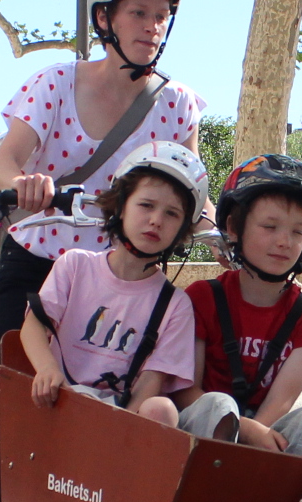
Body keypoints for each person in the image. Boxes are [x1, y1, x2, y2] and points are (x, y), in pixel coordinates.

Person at [0, 0, 207, 502]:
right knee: (13, 418)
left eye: (162, 15)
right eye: (139, 12)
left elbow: (191, 184)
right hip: (40, 265)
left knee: (119, 417)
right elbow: (3, 161)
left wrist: (231, 233)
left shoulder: (177, 104)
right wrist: (26, 186)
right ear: (105, 19)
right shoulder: (54, 83)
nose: (152, 26)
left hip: (120, 276)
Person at [18, 142, 205, 426]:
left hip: (122, 417)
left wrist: (118, 430)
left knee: (161, 407)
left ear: (182, 229)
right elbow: (34, 324)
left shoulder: (176, 304)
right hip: (61, 399)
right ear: (120, 206)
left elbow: (152, 380)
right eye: (146, 205)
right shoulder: (75, 265)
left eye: (172, 213)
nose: (156, 220)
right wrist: (47, 369)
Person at [174, 153, 302, 455]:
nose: (284, 241)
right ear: (234, 227)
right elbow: (186, 391)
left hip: (264, 432)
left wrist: (253, 435)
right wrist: (243, 427)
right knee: (219, 405)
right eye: (270, 226)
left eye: (297, 231)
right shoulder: (202, 298)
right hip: (201, 431)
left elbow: (281, 402)